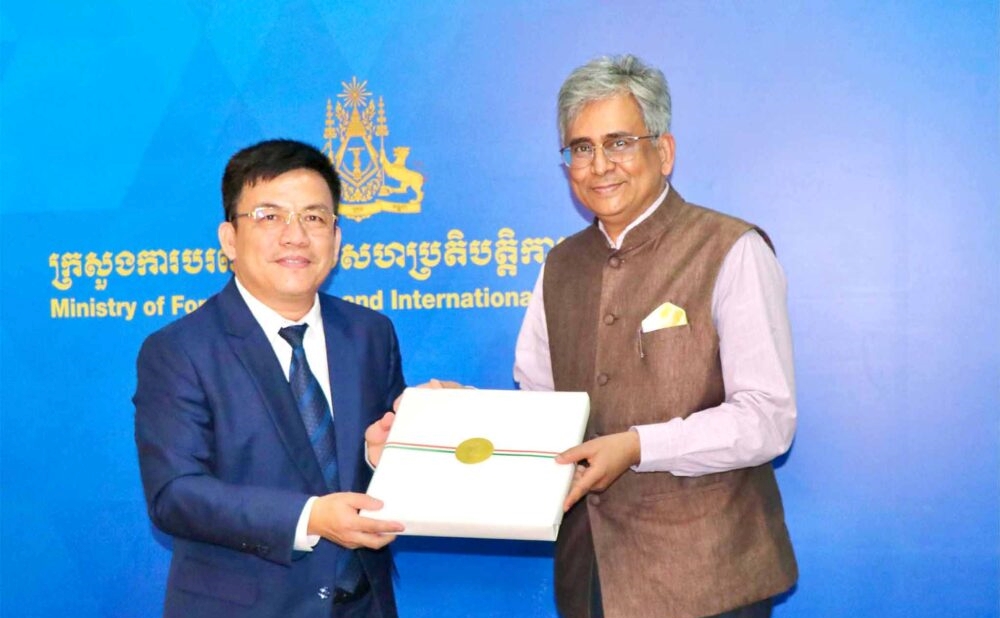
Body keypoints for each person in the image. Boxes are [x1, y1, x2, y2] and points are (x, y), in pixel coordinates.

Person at [513, 55, 798, 618]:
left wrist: (640, 446)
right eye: (581, 148)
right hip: (592, 575)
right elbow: (541, 409)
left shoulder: (731, 249)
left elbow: (768, 419)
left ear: (663, 152)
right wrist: (462, 416)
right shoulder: (559, 266)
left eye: (619, 142)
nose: (600, 165)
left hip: (711, 578)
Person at [134, 139, 406, 618]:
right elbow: (175, 494)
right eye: (269, 216)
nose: (295, 236)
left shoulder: (370, 333)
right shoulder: (179, 350)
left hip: (364, 606)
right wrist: (309, 518)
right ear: (229, 239)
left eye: (314, 217)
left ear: (336, 239)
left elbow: (380, 472)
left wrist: (403, 447)